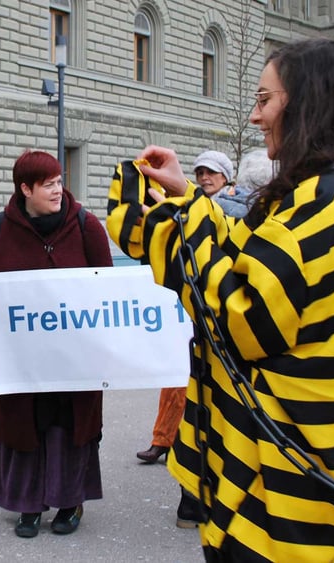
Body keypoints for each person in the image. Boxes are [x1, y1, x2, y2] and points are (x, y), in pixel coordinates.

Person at [106, 38, 334, 561]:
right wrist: (185, 196)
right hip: (275, 471)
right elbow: (249, 256)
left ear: (309, 102)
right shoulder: (323, 194)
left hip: (280, 486)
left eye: (265, 100)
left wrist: (170, 218)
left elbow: (244, 316)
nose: (253, 116)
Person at [0, 149, 112, 538]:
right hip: (19, 359)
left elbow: (107, 288)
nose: (58, 190)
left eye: (60, 181)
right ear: (25, 188)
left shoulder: (85, 225)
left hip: (75, 357)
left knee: (67, 425)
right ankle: (27, 505)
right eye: (48, 184)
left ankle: (69, 501)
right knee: (25, 424)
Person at [135, 150, 239, 468]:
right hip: (185, 307)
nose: (205, 178)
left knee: (206, 392)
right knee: (175, 376)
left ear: (226, 177)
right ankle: (163, 440)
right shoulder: (185, 208)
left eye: (212, 173)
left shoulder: (235, 209)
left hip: (219, 314)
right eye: (200, 172)